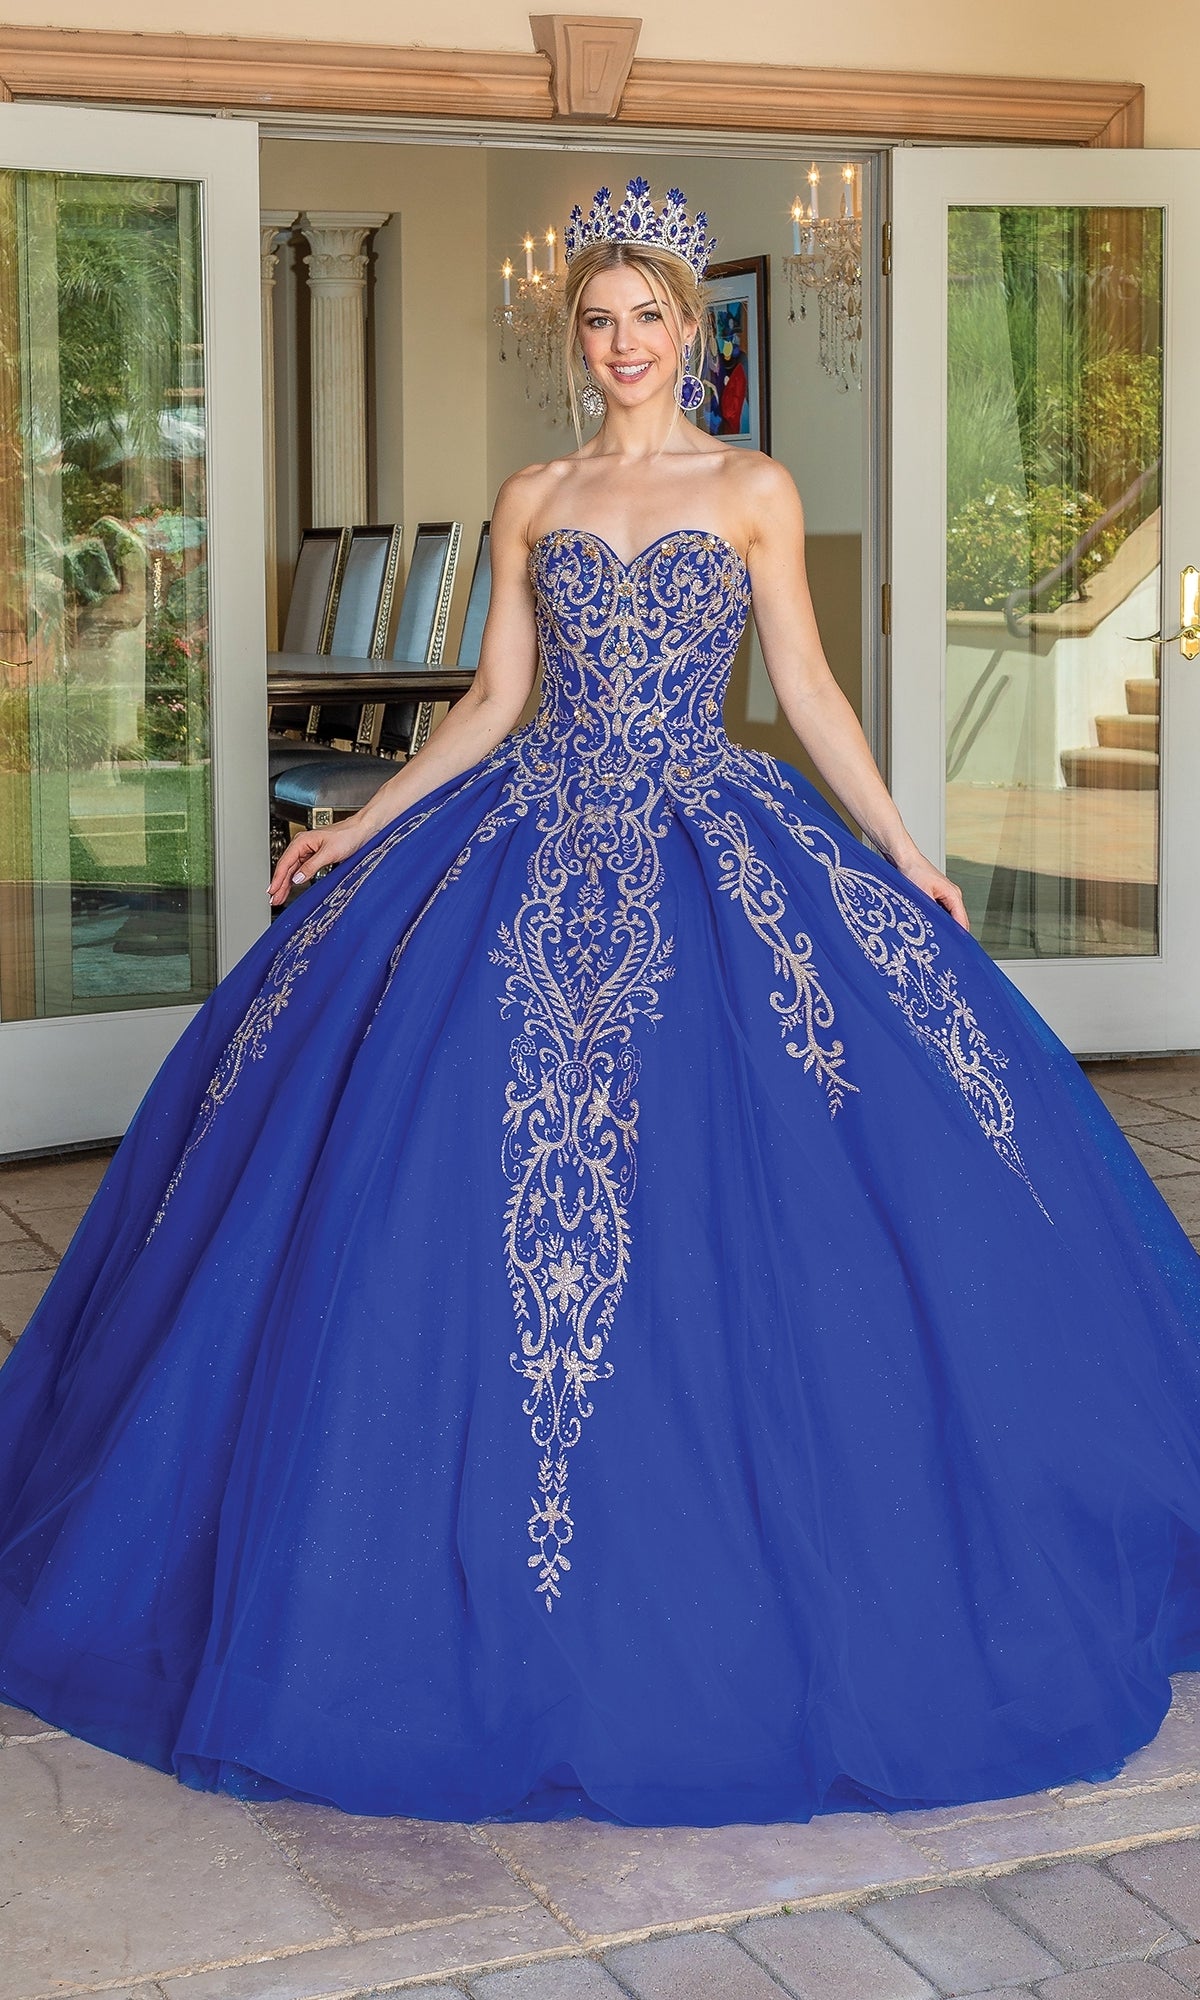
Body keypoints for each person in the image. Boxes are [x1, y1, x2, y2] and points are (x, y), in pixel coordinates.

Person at [3, 177, 1200, 1831]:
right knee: (433, 1176)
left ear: (688, 328)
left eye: (649, 316)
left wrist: (907, 851)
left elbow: (806, 689)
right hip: (530, 829)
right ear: (574, 334)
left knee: (763, 1178)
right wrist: (357, 824)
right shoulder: (533, 492)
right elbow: (496, 698)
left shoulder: (755, 488)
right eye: (598, 317)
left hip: (716, 834)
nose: (624, 342)